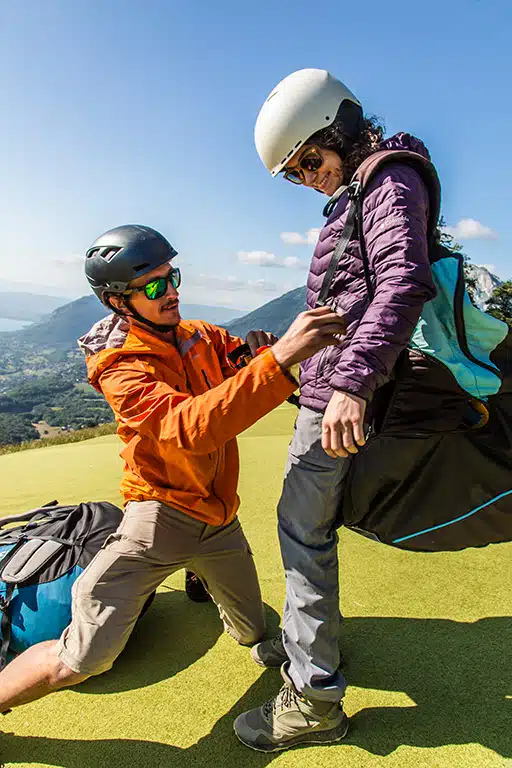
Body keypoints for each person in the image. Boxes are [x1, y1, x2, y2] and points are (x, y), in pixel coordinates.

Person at [0, 224, 345, 716]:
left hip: (220, 516)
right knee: (83, 657)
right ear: (119, 300)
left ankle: (198, 573)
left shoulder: (198, 335)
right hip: (159, 519)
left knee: (253, 633)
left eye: (173, 276)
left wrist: (259, 351)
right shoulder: (121, 367)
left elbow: (237, 366)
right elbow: (191, 428)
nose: (173, 292)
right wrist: (283, 358)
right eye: (156, 286)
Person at [234, 68, 437, 752]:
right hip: (331, 385)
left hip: (343, 397)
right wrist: (286, 352)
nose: (307, 180)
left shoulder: (387, 181)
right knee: (306, 531)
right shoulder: (362, 189)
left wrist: (349, 382)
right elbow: (350, 296)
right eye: (293, 174)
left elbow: (404, 280)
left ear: (341, 131)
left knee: (303, 534)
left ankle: (314, 697)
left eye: (309, 161)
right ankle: (306, 655)